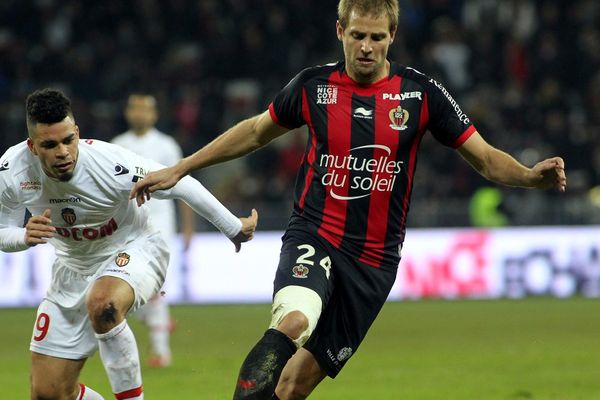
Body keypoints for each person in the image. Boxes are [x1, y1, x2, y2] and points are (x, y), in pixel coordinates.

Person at [130, 1, 567, 398]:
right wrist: (184, 165)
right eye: (358, 35)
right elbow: (255, 131)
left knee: (294, 386)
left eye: (377, 37)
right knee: (294, 320)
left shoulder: (421, 94)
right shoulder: (313, 87)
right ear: (340, 30)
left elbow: (487, 159)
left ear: (392, 36)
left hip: (374, 263)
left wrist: (530, 176)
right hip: (315, 234)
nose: (366, 47)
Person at [0, 88, 258, 400]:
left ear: (77, 132)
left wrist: (233, 227)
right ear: (32, 146)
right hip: (71, 270)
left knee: (103, 303)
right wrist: (23, 237)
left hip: (135, 247)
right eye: (50, 145)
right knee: (49, 393)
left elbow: (183, 184)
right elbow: (3, 230)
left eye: (69, 140)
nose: (63, 152)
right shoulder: (12, 171)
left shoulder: (111, 164)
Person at [111, 93, 194, 368]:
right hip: (127, 225)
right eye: (135, 108)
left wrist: (188, 226)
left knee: (156, 286)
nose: (140, 114)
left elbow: (184, 186)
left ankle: (161, 351)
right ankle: (157, 320)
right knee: (130, 284)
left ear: (154, 114)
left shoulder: (166, 145)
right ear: (127, 113)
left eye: (145, 109)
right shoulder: (117, 145)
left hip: (161, 224)